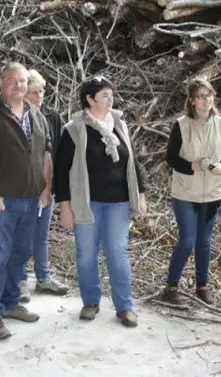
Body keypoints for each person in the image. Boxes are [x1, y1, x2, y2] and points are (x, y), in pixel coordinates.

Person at [0, 62, 52, 340]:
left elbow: (45, 156)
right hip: (2, 203)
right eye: (12, 81)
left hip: (31, 199)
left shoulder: (37, 115)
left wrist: (45, 188)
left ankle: (12, 303)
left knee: (21, 253)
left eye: (23, 81)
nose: (19, 85)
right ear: (1, 83)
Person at [54, 76, 146, 327]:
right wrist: (64, 206)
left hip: (118, 202)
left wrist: (141, 193)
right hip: (87, 203)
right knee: (86, 254)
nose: (110, 98)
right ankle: (91, 301)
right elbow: (61, 171)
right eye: (104, 95)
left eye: (111, 94)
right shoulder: (75, 129)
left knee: (117, 252)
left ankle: (125, 306)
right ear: (90, 99)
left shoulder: (118, 124)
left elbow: (132, 160)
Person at [159, 79, 221, 306]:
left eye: (208, 95)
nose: (205, 100)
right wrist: (193, 166)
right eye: (200, 96)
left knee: (205, 241)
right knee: (188, 240)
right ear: (192, 101)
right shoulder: (182, 125)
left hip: (212, 192)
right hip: (185, 192)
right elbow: (171, 158)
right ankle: (171, 286)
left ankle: (203, 285)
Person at [17, 69, 69, 301]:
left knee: (41, 235)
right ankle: (19, 280)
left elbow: (58, 153)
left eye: (41, 92)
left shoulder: (52, 115)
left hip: (47, 185)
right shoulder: (16, 115)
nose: (39, 96)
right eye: (33, 92)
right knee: (22, 235)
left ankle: (43, 277)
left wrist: (55, 187)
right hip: (22, 188)